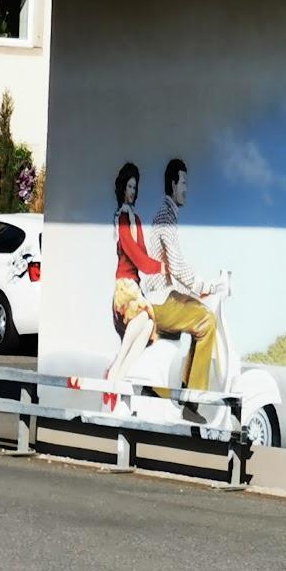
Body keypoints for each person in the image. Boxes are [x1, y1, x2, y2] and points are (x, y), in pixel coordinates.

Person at [142, 158, 218, 394]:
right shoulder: (166, 216)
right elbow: (175, 263)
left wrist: (194, 290)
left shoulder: (167, 215)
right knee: (207, 320)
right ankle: (194, 395)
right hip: (160, 300)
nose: (186, 188)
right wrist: (202, 285)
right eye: (184, 182)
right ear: (173, 184)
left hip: (162, 296)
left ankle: (177, 389)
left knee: (196, 308)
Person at [103, 162, 161, 412]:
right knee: (143, 318)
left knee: (148, 325)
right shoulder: (122, 219)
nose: (133, 191)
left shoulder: (135, 219)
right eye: (129, 186)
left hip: (135, 287)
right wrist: (161, 267)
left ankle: (120, 376)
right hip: (124, 286)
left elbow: (144, 255)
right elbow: (135, 256)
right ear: (122, 189)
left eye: (135, 187)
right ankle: (115, 369)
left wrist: (158, 267)